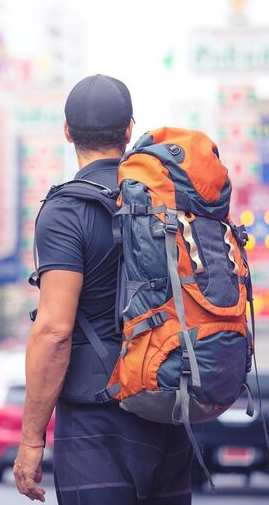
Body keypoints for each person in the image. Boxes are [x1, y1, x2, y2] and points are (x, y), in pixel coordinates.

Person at [13, 75, 192, 504]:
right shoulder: (170, 200)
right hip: (169, 408)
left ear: (67, 132)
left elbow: (54, 330)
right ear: (129, 130)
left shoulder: (66, 212)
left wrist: (31, 439)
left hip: (98, 422)